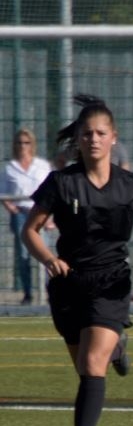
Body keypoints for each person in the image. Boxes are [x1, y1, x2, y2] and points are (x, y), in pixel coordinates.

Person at [21, 95, 133, 426]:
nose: (93, 139)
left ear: (113, 138)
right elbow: (30, 231)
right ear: (78, 139)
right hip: (68, 284)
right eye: (87, 133)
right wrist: (49, 259)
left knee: (92, 364)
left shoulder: (132, 185)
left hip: (111, 283)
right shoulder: (61, 183)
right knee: (84, 366)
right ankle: (117, 348)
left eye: (101, 133)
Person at [3, 128, 53, 304]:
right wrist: (12, 209)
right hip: (21, 214)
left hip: (39, 213)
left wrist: (50, 216)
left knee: (44, 252)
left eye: (26, 142)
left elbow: (51, 191)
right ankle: (28, 293)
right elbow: (3, 192)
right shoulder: (10, 168)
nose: (23, 146)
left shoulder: (42, 166)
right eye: (19, 143)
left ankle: (50, 292)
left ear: (32, 145)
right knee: (23, 255)